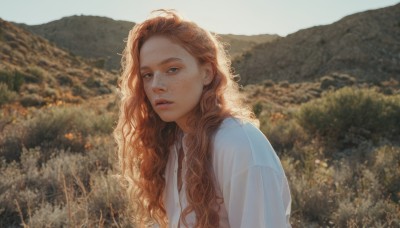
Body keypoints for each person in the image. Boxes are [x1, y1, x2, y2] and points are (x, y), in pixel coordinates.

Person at [114, 9, 291, 228]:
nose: (156, 85)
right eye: (147, 74)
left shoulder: (240, 145)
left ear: (207, 73)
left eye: (172, 69)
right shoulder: (172, 142)